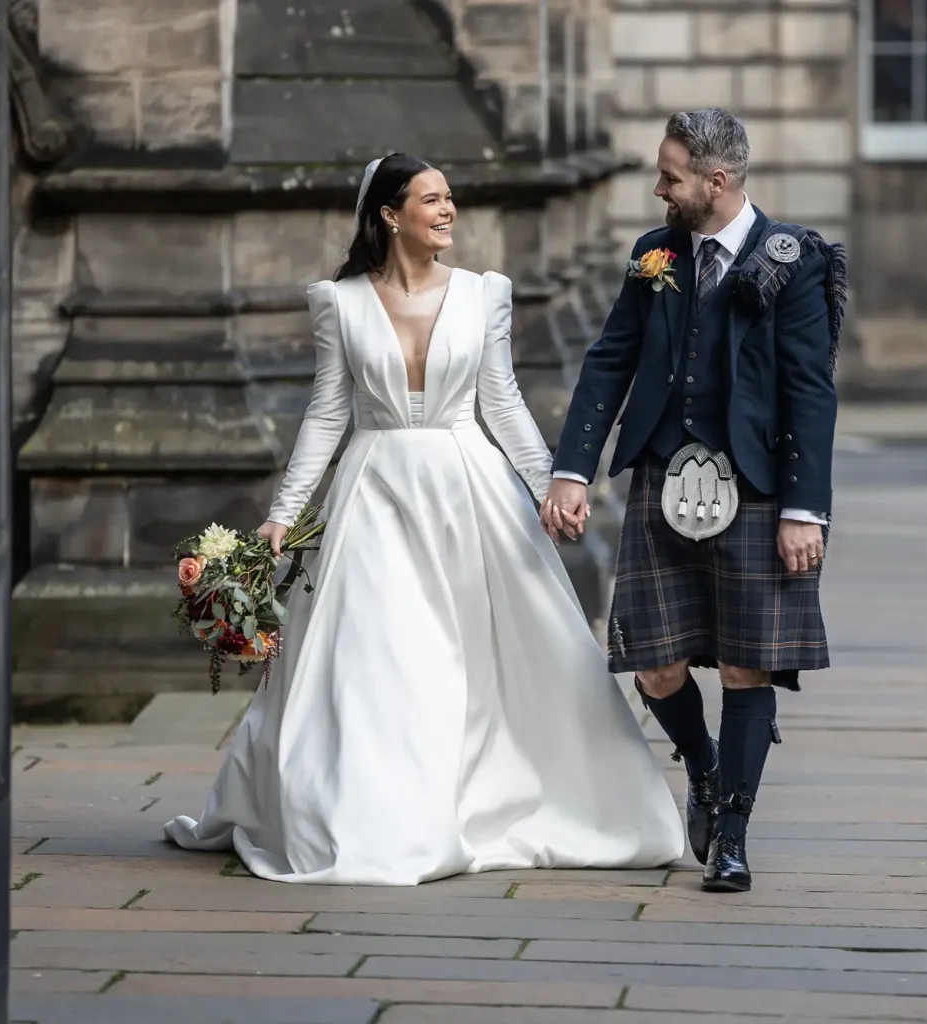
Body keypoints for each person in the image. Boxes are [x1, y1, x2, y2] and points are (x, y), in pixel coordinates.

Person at [164, 153, 685, 884]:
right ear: (389, 213)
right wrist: (283, 515)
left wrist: (548, 483)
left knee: (475, 656)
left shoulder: (483, 295)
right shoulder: (340, 303)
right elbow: (326, 413)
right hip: (373, 496)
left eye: (451, 199)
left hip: (468, 491)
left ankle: (490, 799)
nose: (448, 211)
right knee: (381, 657)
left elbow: (500, 400)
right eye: (432, 199)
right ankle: (378, 818)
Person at [542, 108, 846, 893]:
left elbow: (810, 391)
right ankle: (702, 766)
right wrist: (572, 469)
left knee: (749, 667)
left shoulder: (795, 261)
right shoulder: (655, 256)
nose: (658, 188)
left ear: (716, 182)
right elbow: (609, 364)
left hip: (753, 487)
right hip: (660, 477)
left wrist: (805, 511)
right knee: (654, 662)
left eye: (670, 176)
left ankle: (734, 835)